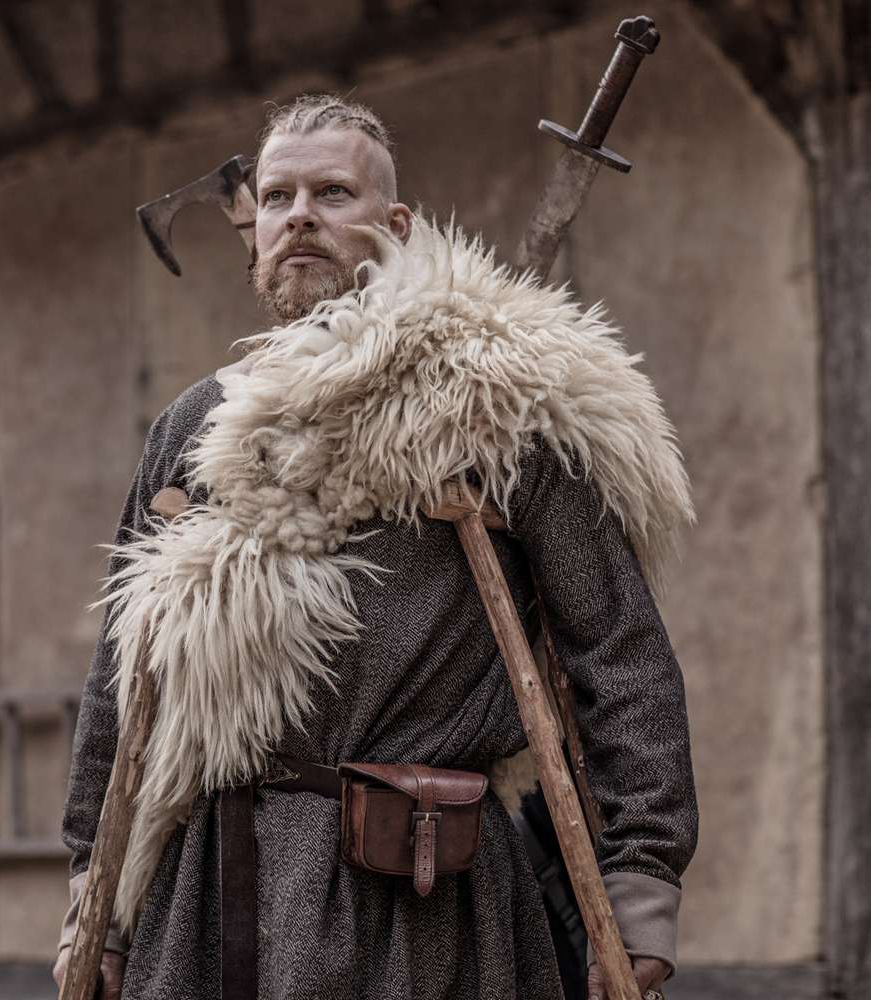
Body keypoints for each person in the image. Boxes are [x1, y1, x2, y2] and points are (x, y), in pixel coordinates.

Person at [52, 94, 698, 1000]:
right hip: (210, 897)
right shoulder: (194, 426)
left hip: (430, 896)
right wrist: (98, 896)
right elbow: (122, 680)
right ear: (255, 233)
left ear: (396, 225)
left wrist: (639, 881)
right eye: (277, 198)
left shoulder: (504, 406)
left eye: (332, 192)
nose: (300, 215)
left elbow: (617, 650)